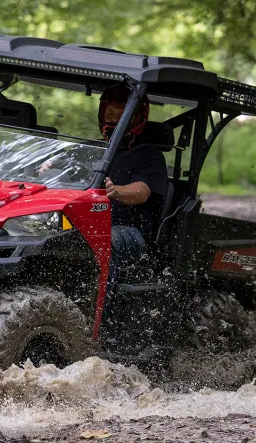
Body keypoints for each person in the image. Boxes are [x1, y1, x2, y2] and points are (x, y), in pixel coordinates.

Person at [100, 83, 169, 312]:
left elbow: (143, 191)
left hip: (129, 230)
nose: (113, 122)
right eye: (110, 114)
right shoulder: (96, 151)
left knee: (104, 241)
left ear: (136, 118)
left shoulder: (149, 155)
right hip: (84, 224)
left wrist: (116, 191)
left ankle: (97, 319)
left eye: (121, 116)